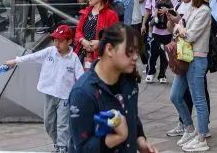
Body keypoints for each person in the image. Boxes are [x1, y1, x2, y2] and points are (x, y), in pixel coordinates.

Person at [67, 23, 157, 153]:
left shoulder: (129, 82)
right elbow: (82, 148)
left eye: (137, 51)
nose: (135, 57)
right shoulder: (83, 92)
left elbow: (132, 118)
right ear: (109, 49)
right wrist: (118, 137)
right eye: (130, 51)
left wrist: (140, 141)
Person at [4, 24, 83, 153]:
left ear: (69, 41)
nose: (57, 44)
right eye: (55, 40)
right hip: (49, 94)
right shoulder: (50, 52)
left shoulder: (74, 58)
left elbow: (81, 78)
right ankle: (59, 144)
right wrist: (16, 61)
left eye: (60, 41)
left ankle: (62, 148)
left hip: (65, 97)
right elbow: (33, 57)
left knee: (62, 124)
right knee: (48, 123)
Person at [168, 0, 213, 151]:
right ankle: (189, 128)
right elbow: (179, 30)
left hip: (197, 59)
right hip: (186, 58)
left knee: (198, 100)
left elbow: (190, 35)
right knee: (175, 96)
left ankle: (201, 137)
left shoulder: (204, 11)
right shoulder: (193, 9)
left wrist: (180, 28)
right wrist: (180, 27)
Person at [74, 0, 120, 69]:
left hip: (101, 57)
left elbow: (116, 37)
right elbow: (78, 31)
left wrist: (100, 42)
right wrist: (82, 40)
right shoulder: (86, 11)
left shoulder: (111, 15)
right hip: (82, 53)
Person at [145, 0, 173, 83]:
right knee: (153, 53)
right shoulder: (157, 3)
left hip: (167, 32)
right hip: (156, 32)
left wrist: (167, 11)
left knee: (164, 55)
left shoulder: (169, 3)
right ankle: (150, 72)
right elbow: (154, 13)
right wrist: (155, 17)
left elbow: (173, 13)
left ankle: (162, 75)